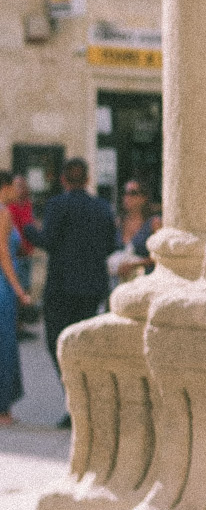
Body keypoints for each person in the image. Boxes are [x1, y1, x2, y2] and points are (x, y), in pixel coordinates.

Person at [23, 158, 118, 426]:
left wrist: (28, 229)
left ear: (64, 180)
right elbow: (110, 246)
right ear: (88, 179)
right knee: (85, 343)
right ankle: (85, 402)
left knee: (57, 343)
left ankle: (74, 400)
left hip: (62, 288)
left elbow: (48, 241)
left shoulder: (57, 205)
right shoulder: (102, 208)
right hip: (92, 288)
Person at [0, 183, 32, 422]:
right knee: (5, 345)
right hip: (3, 284)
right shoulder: (4, 212)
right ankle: (3, 410)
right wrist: (19, 289)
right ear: (5, 186)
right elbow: (3, 253)